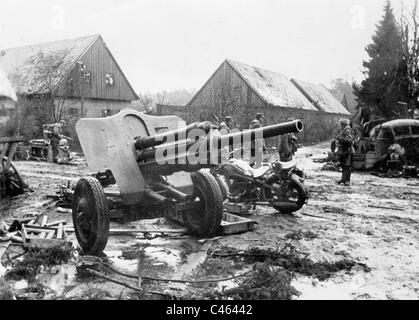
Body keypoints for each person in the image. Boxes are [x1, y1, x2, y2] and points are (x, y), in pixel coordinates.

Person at [334, 118, 355, 186]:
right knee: (343, 165)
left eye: (340, 124)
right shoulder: (344, 131)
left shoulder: (347, 131)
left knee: (347, 166)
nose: (339, 125)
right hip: (344, 151)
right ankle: (343, 179)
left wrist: (340, 139)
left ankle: (347, 180)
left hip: (348, 151)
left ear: (343, 124)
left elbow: (349, 141)